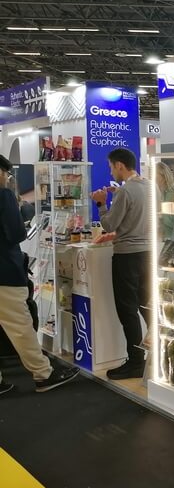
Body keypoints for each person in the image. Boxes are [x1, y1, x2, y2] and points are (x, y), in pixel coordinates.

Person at [0, 154, 79, 395]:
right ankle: (44, 373)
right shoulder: (3, 195)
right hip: (5, 272)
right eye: (6, 174)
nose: (7, 178)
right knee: (21, 326)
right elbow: (16, 234)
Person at [91, 148, 152, 379]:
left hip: (127, 256)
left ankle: (136, 361)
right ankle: (158, 351)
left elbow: (109, 224)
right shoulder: (150, 187)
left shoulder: (125, 191)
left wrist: (101, 203)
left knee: (127, 309)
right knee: (146, 304)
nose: (110, 172)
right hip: (148, 254)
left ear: (119, 165)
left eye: (111, 167)